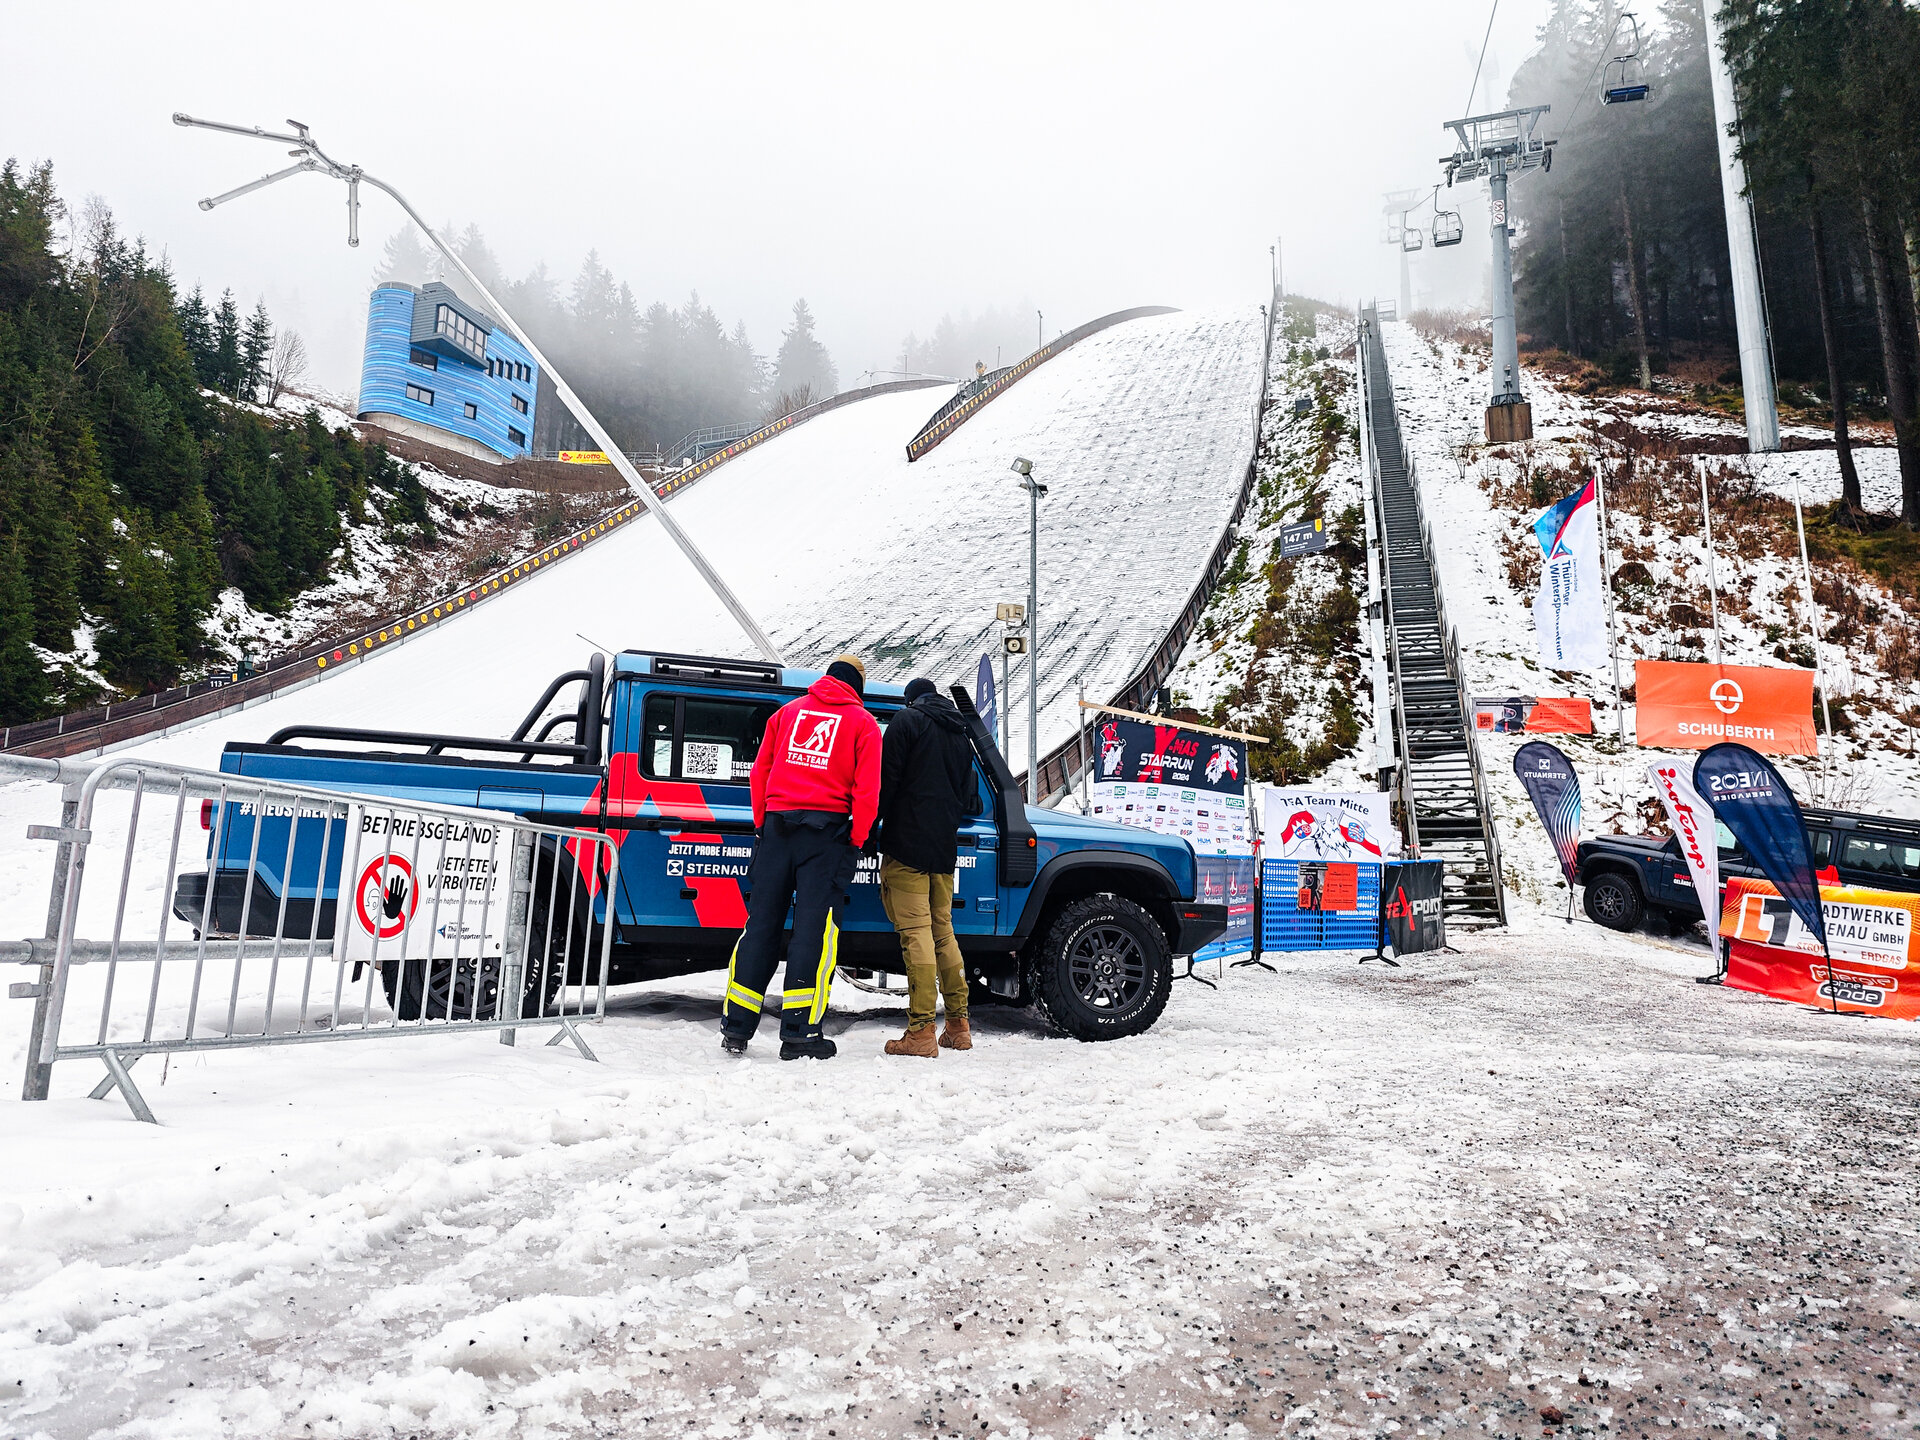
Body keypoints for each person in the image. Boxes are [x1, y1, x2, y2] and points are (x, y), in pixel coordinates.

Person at [722, 654, 880, 1060]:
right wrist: (856, 841)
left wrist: (763, 825)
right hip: (825, 837)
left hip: (776, 829)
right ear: (857, 688)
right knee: (814, 932)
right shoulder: (863, 725)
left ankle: (736, 1028)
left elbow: (760, 774)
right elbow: (867, 794)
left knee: (761, 927)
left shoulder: (787, 713)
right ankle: (799, 1033)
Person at [877, 677, 977, 1058]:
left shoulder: (906, 722)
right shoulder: (960, 732)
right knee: (943, 934)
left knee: (915, 934)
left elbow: (886, 784)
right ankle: (957, 1026)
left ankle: (920, 1032)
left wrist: (869, 829)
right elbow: (968, 798)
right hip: (942, 850)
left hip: (907, 848)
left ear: (910, 699)